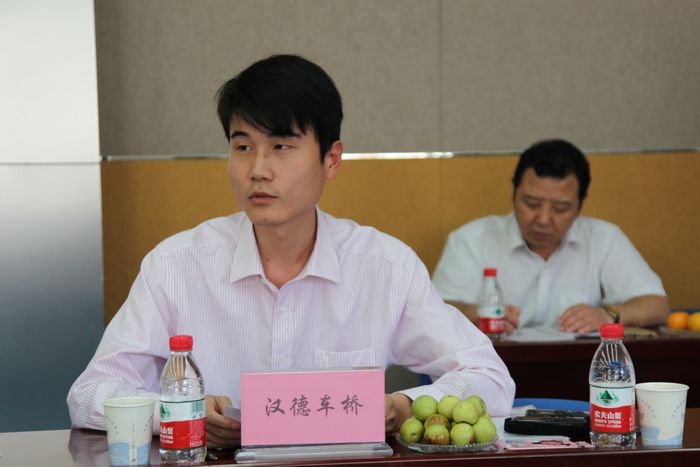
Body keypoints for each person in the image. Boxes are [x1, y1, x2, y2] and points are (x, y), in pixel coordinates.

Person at [67, 54, 515, 447]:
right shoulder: (176, 266)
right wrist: (180, 410)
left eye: (281, 146)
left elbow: (490, 379)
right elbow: (90, 393)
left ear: (331, 159)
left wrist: (400, 406)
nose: (258, 170)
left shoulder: (384, 267)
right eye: (243, 146)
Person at [432, 139, 669, 334]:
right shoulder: (471, 240)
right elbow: (435, 312)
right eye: (531, 203)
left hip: (579, 367)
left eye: (560, 208)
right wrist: (475, 313)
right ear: (514, 194)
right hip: (491, 365)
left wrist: (608, 315)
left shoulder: (603, 238)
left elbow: (657, 305)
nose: (543, 219)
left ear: (580, 205)